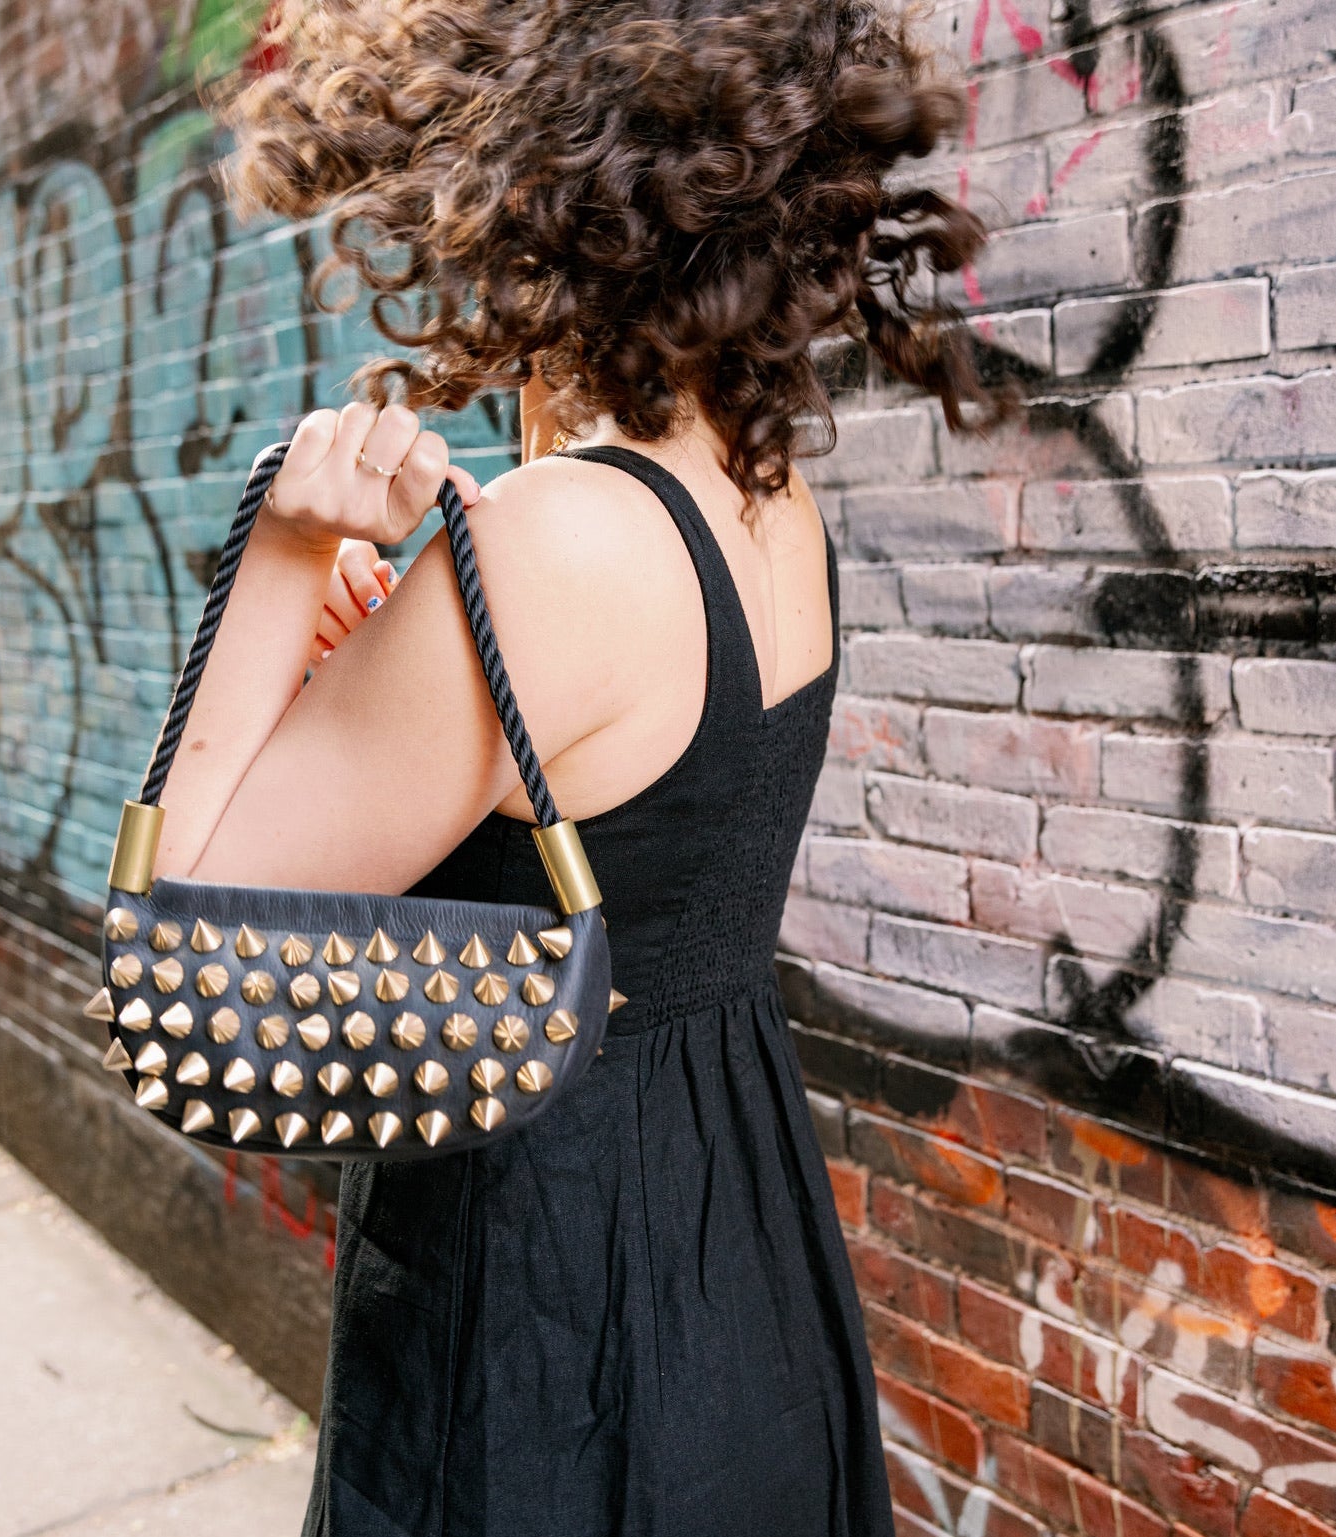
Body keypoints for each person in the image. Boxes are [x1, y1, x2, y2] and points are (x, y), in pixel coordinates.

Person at [156, 1, 1010, 1531]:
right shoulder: (761, 501)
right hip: (734, 1230)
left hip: (545, 1291)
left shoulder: (545, 548)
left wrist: (285, 549)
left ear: (538, 196)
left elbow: (190, 934)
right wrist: (389, 665)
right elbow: (634, 830)